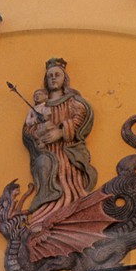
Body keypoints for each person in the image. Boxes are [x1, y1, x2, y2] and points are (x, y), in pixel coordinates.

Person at [22, 58, 96, 224]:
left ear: (64, 78)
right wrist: (39, 134)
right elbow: (28, 129)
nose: (53, 78)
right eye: (50, 76)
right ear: (46, 81)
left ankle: (72, 209)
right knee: (44, 164)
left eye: (57, 74)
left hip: (68, 149)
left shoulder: (72, 101)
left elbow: (82, 118)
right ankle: (45, 212)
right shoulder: (40, 107)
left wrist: (61, 132)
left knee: (65, 168)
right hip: (46, 152)